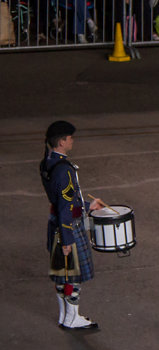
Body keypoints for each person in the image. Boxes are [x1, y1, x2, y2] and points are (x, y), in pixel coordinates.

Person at [41, 121, 103, 330]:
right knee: (72, 274)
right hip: (67, 226)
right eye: (69, 138)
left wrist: (87, 205)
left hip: (55, 223)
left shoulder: (48, 162)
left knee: (62, 273)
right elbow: (66, 207)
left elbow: (62, 200)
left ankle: (63, 315)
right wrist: (67, 240)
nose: (72, 141)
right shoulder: (64, 170)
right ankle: (72, 318)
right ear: (61, 142)